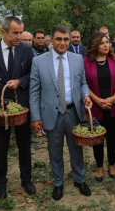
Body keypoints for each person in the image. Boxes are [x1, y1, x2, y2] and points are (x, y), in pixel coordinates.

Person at [29, 25, 93, 201]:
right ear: (52, 40)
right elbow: (34, 91)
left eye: (66, 39)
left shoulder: (77, 59)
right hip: (51, 114)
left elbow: (82, 83)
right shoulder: (39, 61)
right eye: (59, 39)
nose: (63, 42)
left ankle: (80, 179)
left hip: (73, 112)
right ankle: (58, 182)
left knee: (76, 149)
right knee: (54, 150)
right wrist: (35, 117)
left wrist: (86, 95)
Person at [0, 17, 36, 200]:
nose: (19, 36)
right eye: (15, 32)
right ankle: (0, 183)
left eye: (21, 32)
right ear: (3, 32)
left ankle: (26, 179)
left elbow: (33, 75)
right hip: (0, 110)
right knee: (0, 147)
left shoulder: (27, 50)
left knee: (24, 144)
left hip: (21, 107)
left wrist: (20, 81)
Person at [83, 32, 115, 182]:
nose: (106, 45)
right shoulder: (86, 62)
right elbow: (84, 84)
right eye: (102, 43)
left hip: (113, 104)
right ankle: (99, 166)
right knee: (97, 137)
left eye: (107, 42)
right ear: (94, 45)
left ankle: (112, 164)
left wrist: (113, 98)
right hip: (96, 105)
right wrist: (99, 101)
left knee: (112, 137)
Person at [20, 31, 42, 154]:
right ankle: (26, 144)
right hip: (22, 90)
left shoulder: (32, 52)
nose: (27, 43)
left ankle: (30, 138)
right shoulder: (17, 54)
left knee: (31, 116)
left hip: (32, 90)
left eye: (29, 40)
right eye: (25, 40)